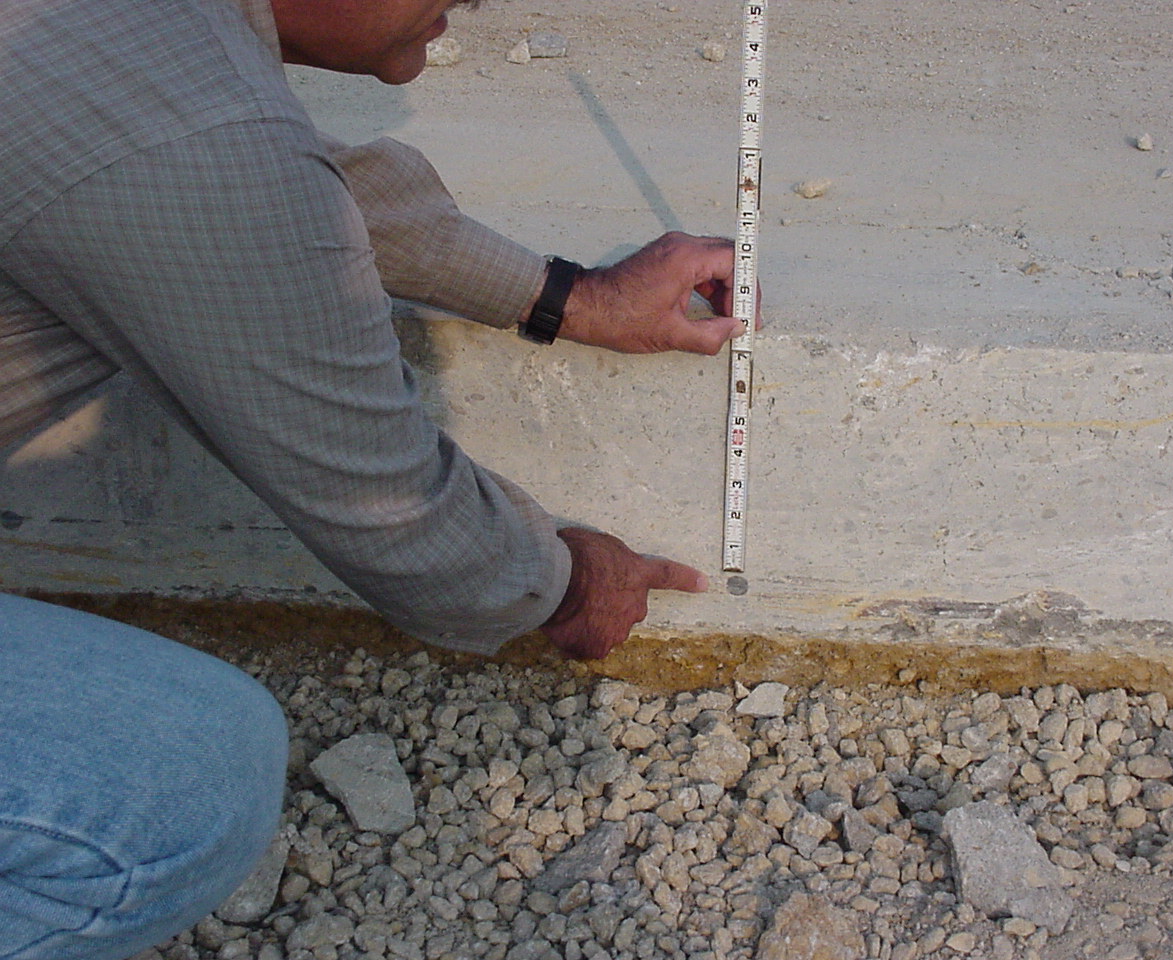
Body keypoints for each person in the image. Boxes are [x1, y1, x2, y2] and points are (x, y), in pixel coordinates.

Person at [0, 0, 748, 956]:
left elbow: (304, 188)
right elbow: (383, 500)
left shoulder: (143, 43)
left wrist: (572, 296)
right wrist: (568, 584)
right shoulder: (201, 144)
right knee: (185, 780)